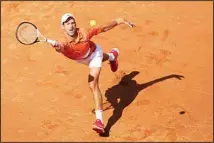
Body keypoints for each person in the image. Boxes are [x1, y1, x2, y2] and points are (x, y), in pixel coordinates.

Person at [46, 13, 135, 133]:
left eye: (72, 23)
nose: (71, 26)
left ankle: (99, 121)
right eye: (67, 24)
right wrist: (57, 46)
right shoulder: (62, 41)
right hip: (80, 59)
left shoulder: (84, 32)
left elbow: (103, 28)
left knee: (92, 84)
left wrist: (119, 20)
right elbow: (61, 47)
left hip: (94, 54)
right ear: (63, 27)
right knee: (101, 60)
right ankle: (112, 56)